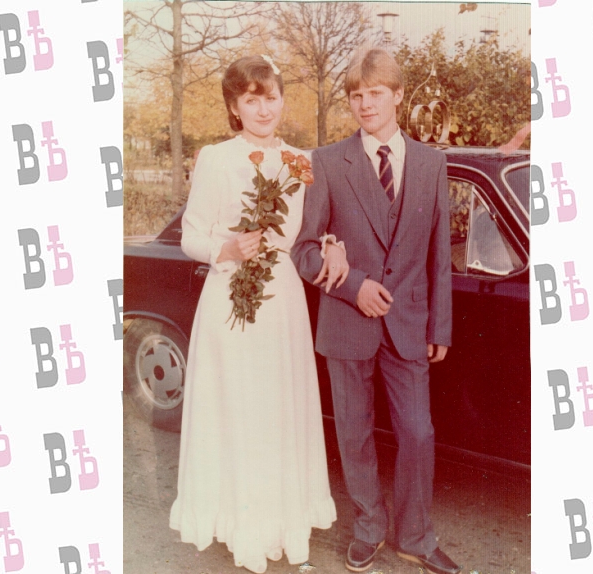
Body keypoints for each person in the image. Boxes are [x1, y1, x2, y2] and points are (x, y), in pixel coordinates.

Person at [171, 54, 345, 573]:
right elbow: (191, 235)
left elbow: (316, 229)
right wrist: (224, 250)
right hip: (230, 301)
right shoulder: (215, 159)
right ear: (234, 106)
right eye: (251, 99)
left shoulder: (301, 160)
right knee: (238, 408)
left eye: (271, 97)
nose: (264, 109)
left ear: (282, 100)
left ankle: (280, 521)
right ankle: (241, 525)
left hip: (282, 304)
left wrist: (332, 242)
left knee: (276, 409)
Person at [291, 47, 460, 574]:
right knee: (355, 433)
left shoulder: (432, 163)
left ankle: (415, 536)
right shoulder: (326, 161)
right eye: (356, 96)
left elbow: (438, 255)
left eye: (376, 93)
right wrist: (353, 285)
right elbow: (305, 251)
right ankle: (369, 528)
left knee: (418, 433)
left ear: (399, 96)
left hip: (409, 325)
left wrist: (440, 325)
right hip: (347, 324)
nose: (365, 104)